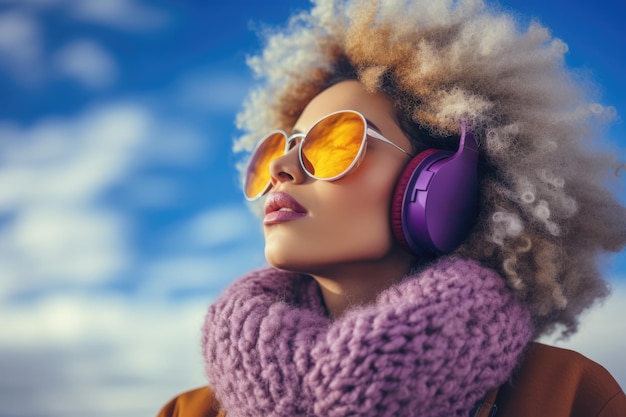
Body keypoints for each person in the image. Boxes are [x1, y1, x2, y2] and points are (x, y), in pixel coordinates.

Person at [158, 0, 626, 416]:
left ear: (441, 183)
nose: (281, 166)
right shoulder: (188, 412)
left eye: (335, 141)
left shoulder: (570, 398)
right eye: (275, 150)